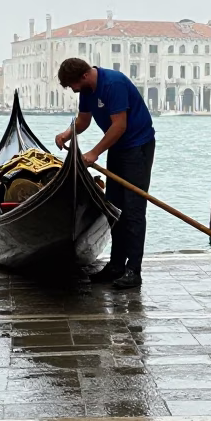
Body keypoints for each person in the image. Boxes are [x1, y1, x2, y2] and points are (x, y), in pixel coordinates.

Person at [55, 57, 155, 289]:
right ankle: (116, 265)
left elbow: (119, 125)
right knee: (114, 208)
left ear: (84, 76)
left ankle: (134, 270)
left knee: (133, 209)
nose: (73, 90)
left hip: (137, 147)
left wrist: (94, 153)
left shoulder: (113, 84)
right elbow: (83, 120)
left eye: (73, 85)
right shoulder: (86, 89)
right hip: (117, 147)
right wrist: (66, 135)